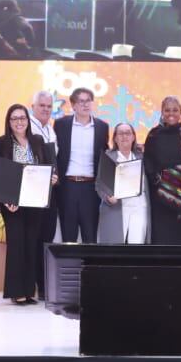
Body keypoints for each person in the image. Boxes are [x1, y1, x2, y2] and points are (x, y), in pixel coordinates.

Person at [0, 104, 53, 304]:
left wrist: (51, 178)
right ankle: (16, 291)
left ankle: (29, 291)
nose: (19, 122)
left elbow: (44, 165)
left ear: (28, 120)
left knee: (31, 243)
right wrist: (8, 199)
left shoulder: (37, 140)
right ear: (8, 123)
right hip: (12, 202)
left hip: (35, 200)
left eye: (22, 118)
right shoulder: (2, 142)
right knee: (17, 244)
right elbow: (1, 172)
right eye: (14, 118)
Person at [143, 96, 181, 244]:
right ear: (162, 112)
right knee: (162, 239)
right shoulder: (154, 135)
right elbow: (148, 163)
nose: (171, 113)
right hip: (160, 197)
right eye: (167, 110)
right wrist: (160, 181)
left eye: (175, 110)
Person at [54, 87, 109, 244]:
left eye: (89, 101)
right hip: (67, 187)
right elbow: (55, 154)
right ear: (73, 105)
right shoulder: (61, 124)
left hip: (91, 189)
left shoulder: (102, 127)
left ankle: (89, 269)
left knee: (90, 236)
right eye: (81, 101)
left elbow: (105, 154)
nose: (86, 105)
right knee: (68, 237)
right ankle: (68, 269)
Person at [97, 123, 149, 245]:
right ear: (115, 138)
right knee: (114, 249)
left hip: (139, 208)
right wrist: (108, 197)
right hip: (117, 208)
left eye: (128, 133)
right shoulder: (108, 156)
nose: (124, 136)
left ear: (133, 137)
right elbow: (100, 184)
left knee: (137, 247)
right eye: (120, 133)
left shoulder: (141, 156)